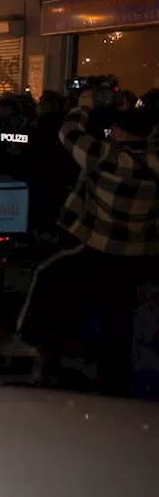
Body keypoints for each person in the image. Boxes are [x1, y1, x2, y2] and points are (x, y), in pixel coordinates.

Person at [18, 92, 159, 396]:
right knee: (119, 316)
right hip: (141, 255)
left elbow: (68, 133)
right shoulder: (154, 160)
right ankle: (115, 378)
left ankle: (47, 353)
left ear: (118, 131)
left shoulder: (105, 156)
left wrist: (84, 106)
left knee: (48, 276)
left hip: (100, 247)